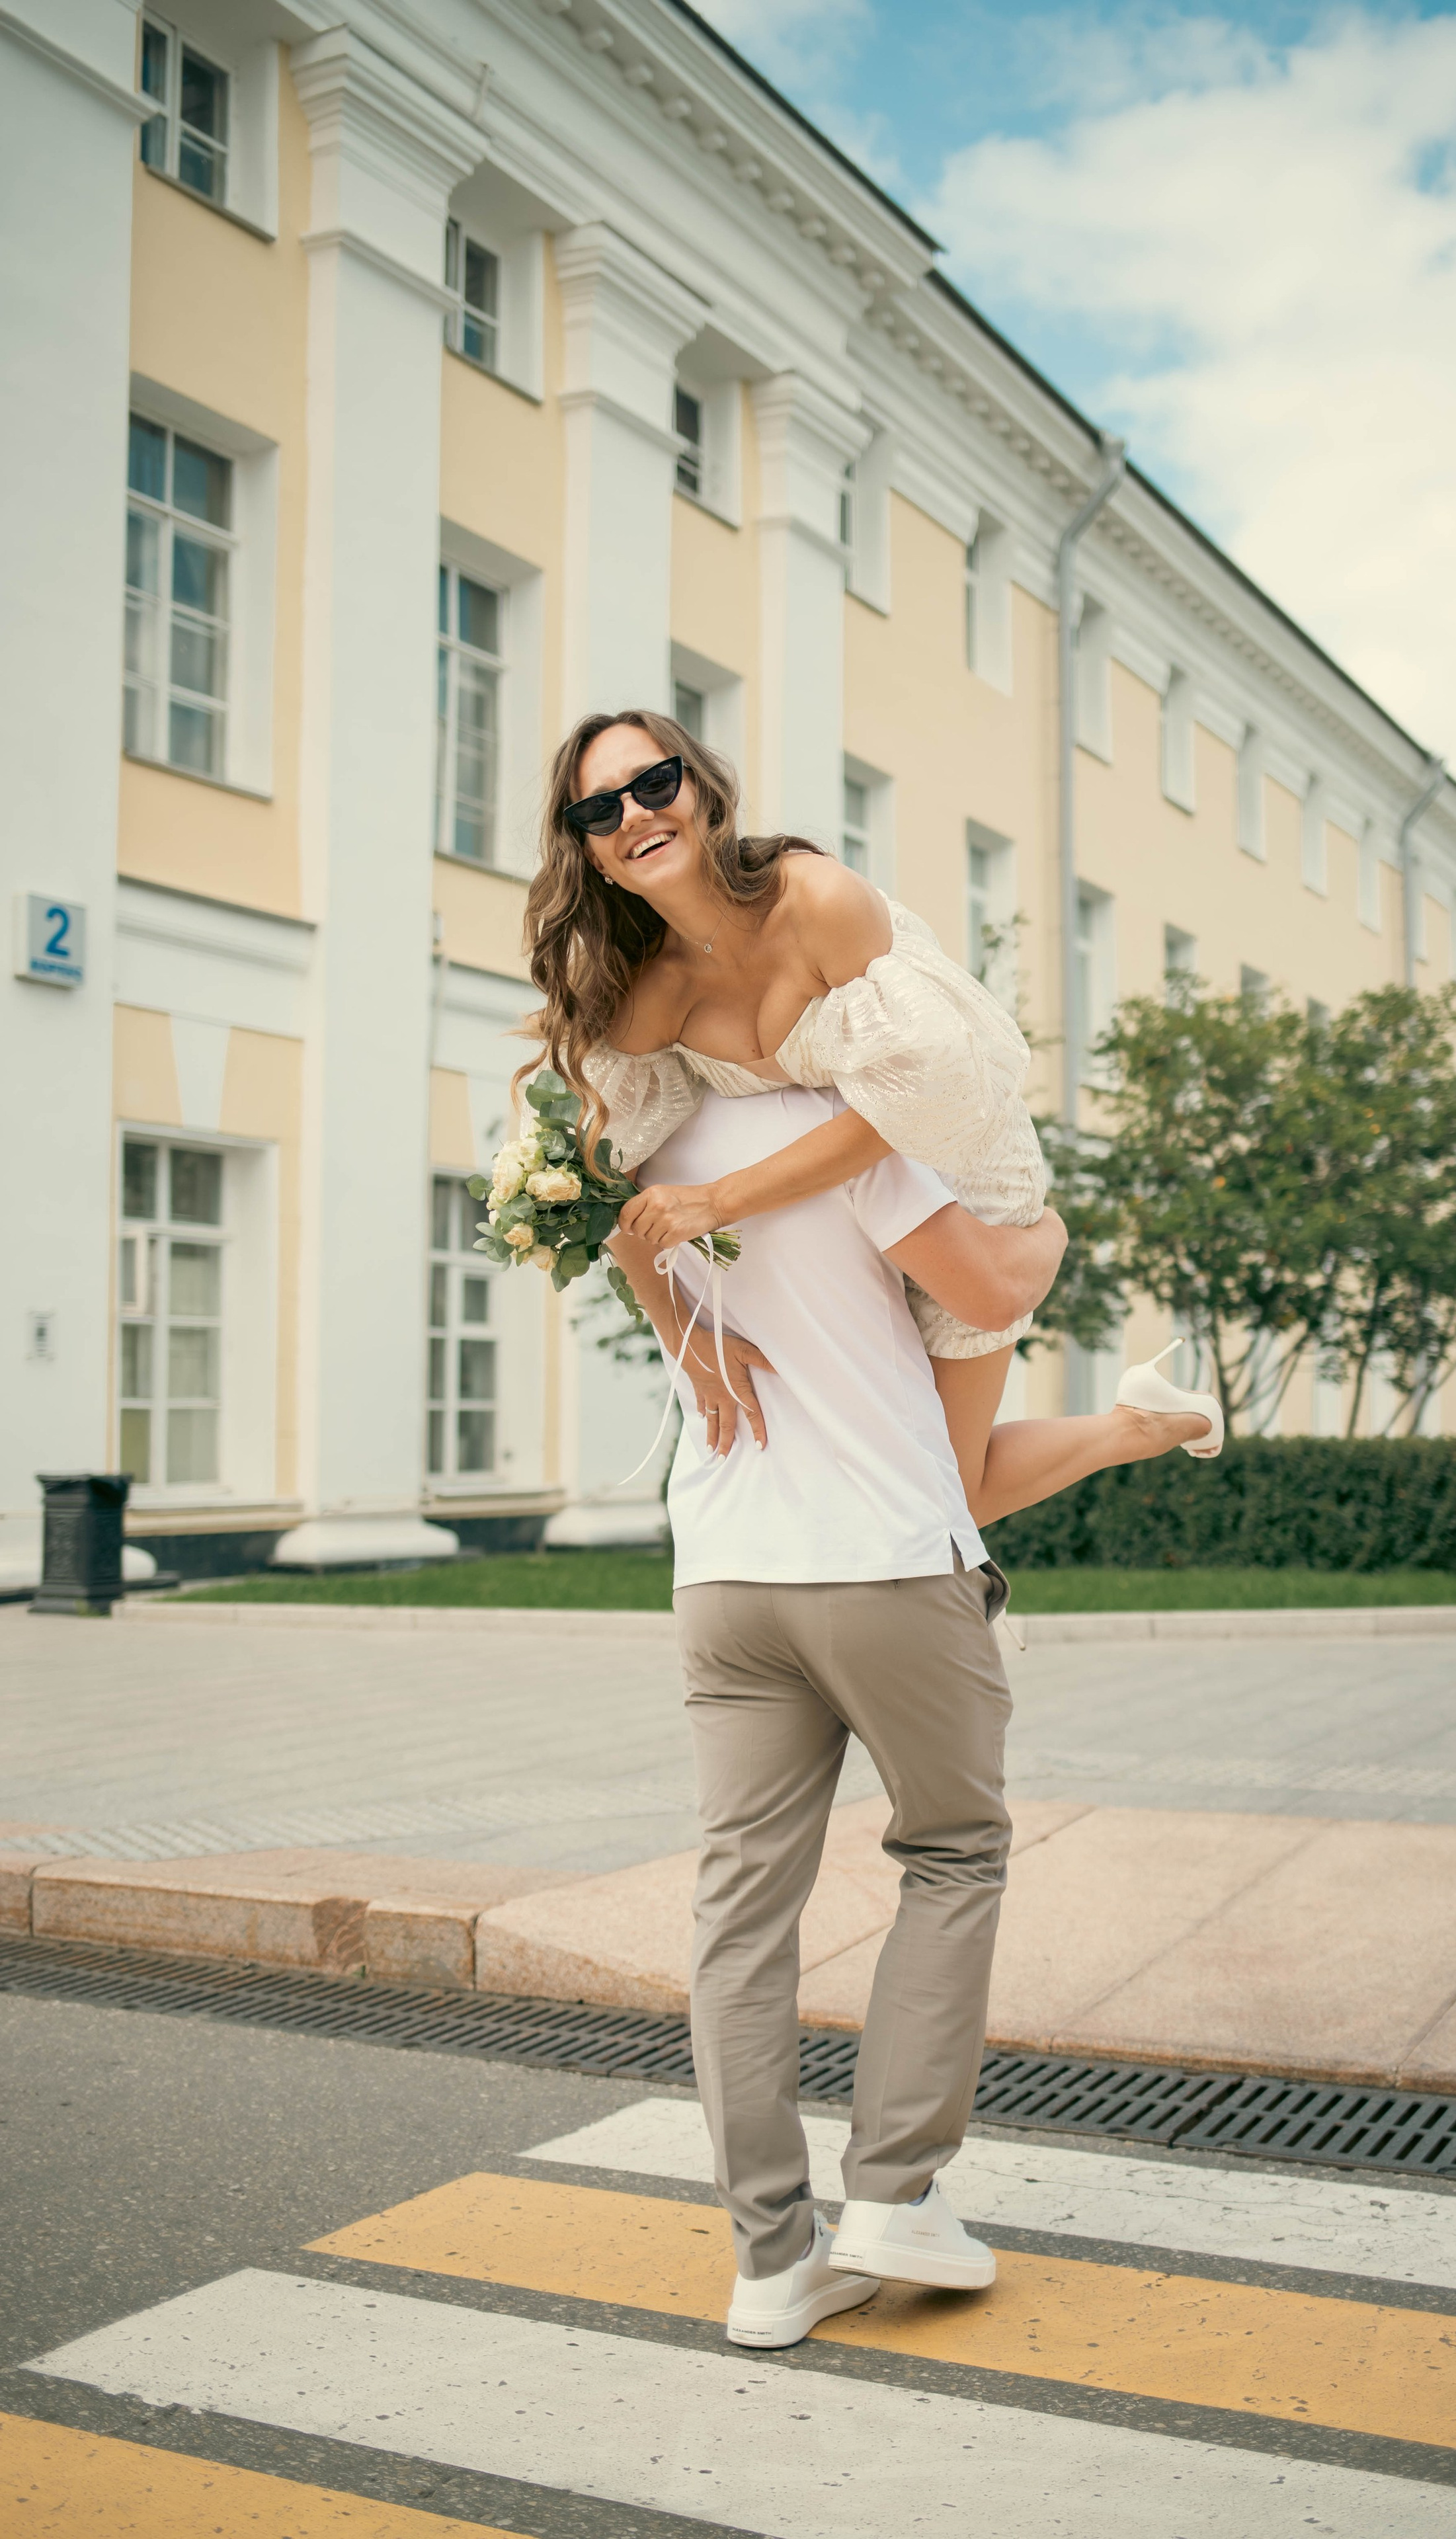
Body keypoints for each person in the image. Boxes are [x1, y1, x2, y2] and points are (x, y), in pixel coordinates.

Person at [604, 1079, 1208, 2348]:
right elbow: (990, 1294)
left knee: (741, 1913)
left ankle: (773, 2264)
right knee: (952, 1854)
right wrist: (1043, 1223)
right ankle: (892, 2198)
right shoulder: (853, 1135)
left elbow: (636, 1260)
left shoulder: (641, 1145)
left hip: (723, 1573)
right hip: (881, 1566)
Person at [522, 707, 1223, 1531]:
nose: (635, 813)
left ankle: (1061, 1262)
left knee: (962, 1428)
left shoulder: (814, 898)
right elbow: (608, 1181)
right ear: (592, 855)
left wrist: (719, 1201)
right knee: (938, 1491)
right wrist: (684, 1341)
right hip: (839, 1199)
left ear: (702, 794)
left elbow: (921, 1097)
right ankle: (1143, 1421)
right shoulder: (644, 995)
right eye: (601, 808)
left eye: (654, 782)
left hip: (956, 1157)